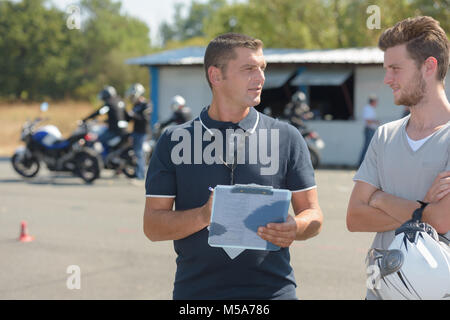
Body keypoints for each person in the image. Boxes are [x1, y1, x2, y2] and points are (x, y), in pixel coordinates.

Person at [143, 33, 323, 300]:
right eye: (249, 69)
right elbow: (153, 226)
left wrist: (295, 227)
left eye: (262, 68)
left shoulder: (287, 137)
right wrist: (205, 216)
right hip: (197, 294)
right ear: (216, 76)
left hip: (273, 292)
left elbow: (313, 213)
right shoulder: (174, 140)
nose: (261, 78)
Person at [346, 16, 450, 300]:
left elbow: (441, 219)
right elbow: (354, 217)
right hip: (377, 292)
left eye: (395, 69)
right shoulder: (384, 136)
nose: (387, 79)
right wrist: (422, 209)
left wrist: (379, 198)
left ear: (429, 66)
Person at [125, 83, 152, 180]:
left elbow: (145, 119)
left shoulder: (146, 104)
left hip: (143, 132)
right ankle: (137, 173)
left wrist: (134, 115)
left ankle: (140, 175)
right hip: (136, 132)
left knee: (140, 153)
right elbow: (129, 119)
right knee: (136, 153)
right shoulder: (135, 105)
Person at [357, 95, 379, 166]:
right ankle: (361, 163)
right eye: (376, 102)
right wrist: (376, 122)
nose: (377, 103)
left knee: (369, 146)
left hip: (371, 129)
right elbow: (368, 120)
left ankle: (364, 163)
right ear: (373, 102)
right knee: (367, 146)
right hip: (369, 129)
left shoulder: (370, 108)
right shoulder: (368, 108)